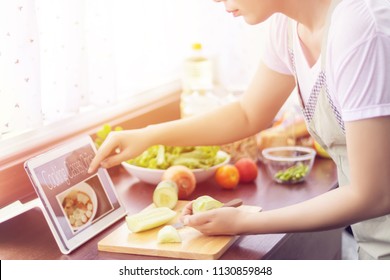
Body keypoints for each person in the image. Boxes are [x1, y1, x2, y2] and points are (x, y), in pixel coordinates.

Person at [89, 0, 390, 260]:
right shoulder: (287, 27)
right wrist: (149, 136)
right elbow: (248, 114)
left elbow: (372, 194)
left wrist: (243, 221)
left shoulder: (358, 28)